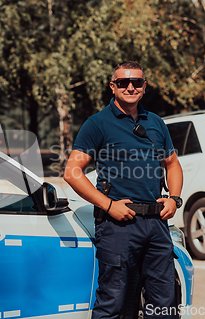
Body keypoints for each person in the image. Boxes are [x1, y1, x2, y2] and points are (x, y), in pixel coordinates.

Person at [64, 61, 183, 318]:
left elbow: (172, 164)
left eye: (136, 82)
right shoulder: (97, 124)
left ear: (144, 85)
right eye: (123, 82)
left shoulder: (155, 123)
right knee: (114, 302)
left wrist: (174, 199)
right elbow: (72, 172)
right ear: (112, 86)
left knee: (163, 304)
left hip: (156, 224)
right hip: (118, 226)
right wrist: (108, 205)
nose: (130, 87)